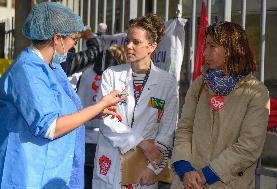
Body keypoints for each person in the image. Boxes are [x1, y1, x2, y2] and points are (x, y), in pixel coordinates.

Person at [0, 2, 126, 189]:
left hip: (53, 172)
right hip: (29, 175)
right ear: (57, 38)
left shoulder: (52, 68)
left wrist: (96, 112)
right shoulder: (27, 71)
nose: (74, 44)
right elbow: (50, 127)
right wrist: (99, 105)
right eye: (74, 39)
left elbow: (65, 113)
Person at [170, 21, 270, 189]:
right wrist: (185, 169)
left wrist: (207, 174)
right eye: (205, 46)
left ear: (231, 50)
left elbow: (249, 146)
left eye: (212, 46)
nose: (205, 52)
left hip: (226, 184)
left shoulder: (256, 92)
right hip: (188, 183)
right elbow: (185, 129)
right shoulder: (199, 84)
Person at [92, 14, 178, 189]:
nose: (129, 46)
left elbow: (167, 129)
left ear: (151, 46)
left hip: (144, 168)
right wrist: (141, 143)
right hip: (111, 161)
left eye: (136, 42)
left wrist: (153, 167)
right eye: (127, 40)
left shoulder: (166, 82)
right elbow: (108, 121)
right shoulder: (112, 75)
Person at [76, 44, 126, 189]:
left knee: (84, 181)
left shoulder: (86, 73)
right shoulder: (116, 77)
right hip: (105, 139)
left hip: (83, 135)